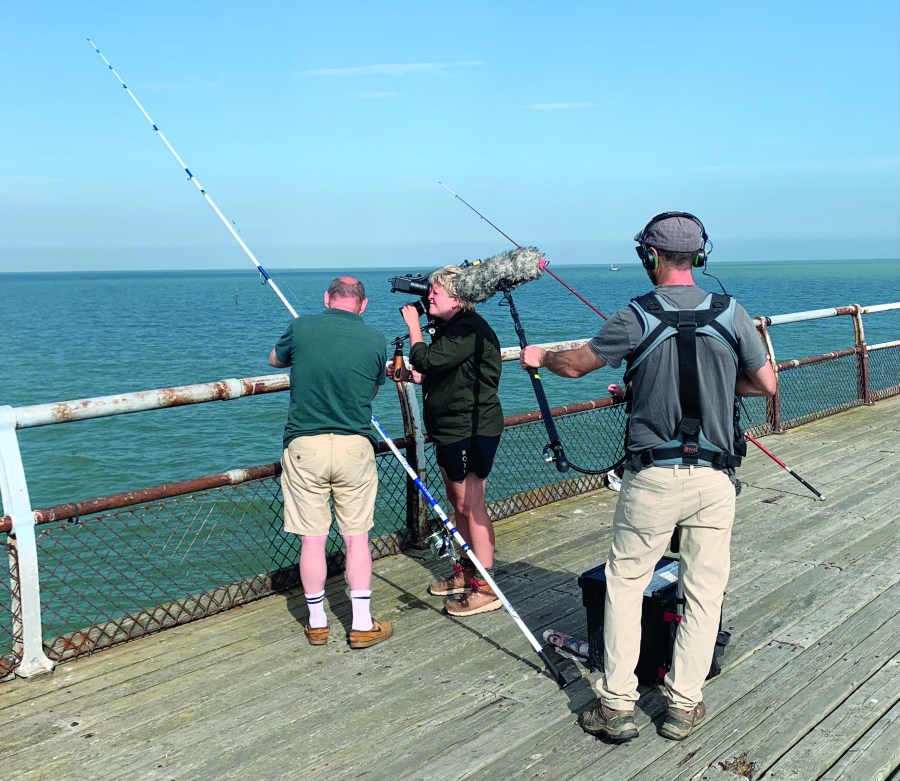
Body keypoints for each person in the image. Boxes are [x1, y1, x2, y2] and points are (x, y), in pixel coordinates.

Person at [521, 213, 776, 742]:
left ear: (650, 257)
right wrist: (717, 390)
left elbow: (576, 366)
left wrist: (540, 355)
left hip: (653, 478)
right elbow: (765, 384)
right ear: (699, 257)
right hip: (714, 477)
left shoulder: (635, 314)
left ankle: (617, 705)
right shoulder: (733, 313)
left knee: (625, 585)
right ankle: (684, 704)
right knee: (703, 591)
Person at [268, 276, 393, 650]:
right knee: (356, 538)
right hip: (355, 445)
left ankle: (318, 623)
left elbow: (275, 360)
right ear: (363, 305)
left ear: (327, 299)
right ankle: (361, 623)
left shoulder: (301, 326)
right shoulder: (375, 340)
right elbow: (370, 388)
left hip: (306, 445)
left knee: (313, 538)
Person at [392, 265, 504, 616]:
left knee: (472, 506)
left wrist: (413, 327)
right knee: (459, 506)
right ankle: (467, 571)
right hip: (451, 427)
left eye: (434, 293)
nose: (427, 298)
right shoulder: (452, 329)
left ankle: (486, 587)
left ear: (457, 299)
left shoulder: (468, 328)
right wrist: (409, 374)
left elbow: (426, 357)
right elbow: (437, 371)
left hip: (471, 428)